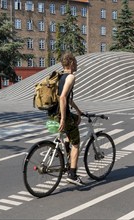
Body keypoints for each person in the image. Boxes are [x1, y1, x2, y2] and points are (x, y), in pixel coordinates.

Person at [50, 52, 84, 186]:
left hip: (52, 114)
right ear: (70, 63)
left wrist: (78, 111)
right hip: (60, 114)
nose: (76, 65)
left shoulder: (60, 77)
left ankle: (65, 145)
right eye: (75, 62)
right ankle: (72, 174)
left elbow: (68, 98)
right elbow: (63, 97)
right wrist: (63, 119)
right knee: (76, 143)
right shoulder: (70, 77)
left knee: (75, 121)